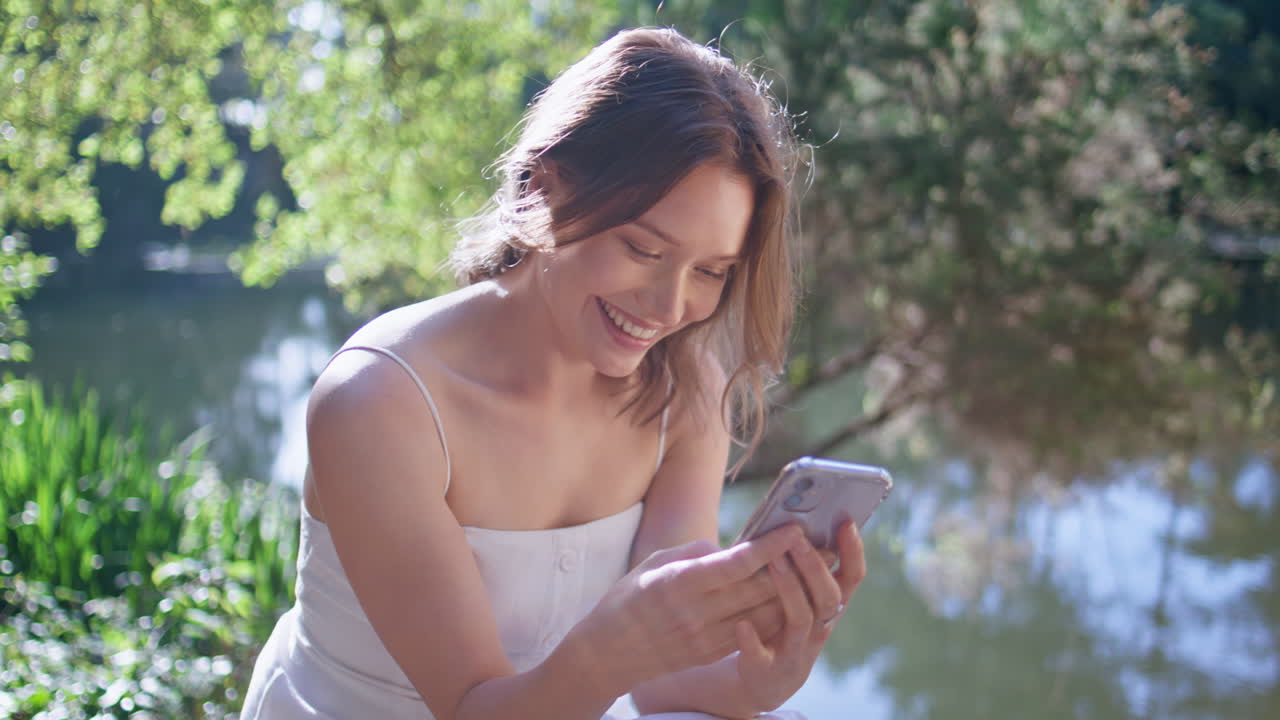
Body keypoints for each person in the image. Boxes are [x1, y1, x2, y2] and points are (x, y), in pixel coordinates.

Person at [241, 26, 865, 720]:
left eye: (712, 272)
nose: (669, 307)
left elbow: (662, 685)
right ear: (545, 187)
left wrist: (760, 681)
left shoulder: (686, 392)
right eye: (642, 248)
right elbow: (476, 706)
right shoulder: (380, 403)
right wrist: (611, 651)